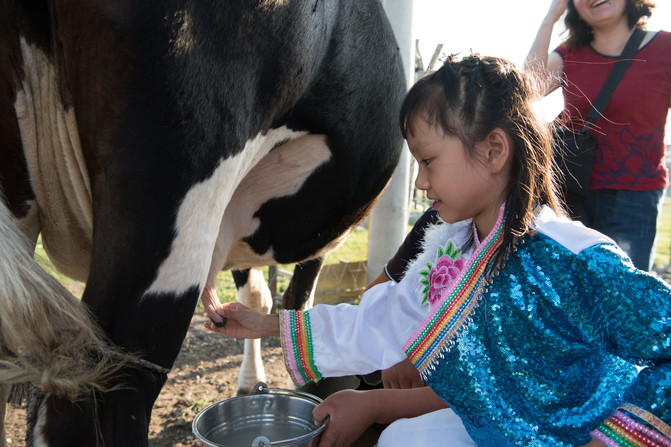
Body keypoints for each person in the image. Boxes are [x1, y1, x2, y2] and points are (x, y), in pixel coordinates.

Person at [206, 54, 671, 447]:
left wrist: (613, 440)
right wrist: (268, 324)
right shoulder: (454, 254)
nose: (422, 182)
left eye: (428, 161)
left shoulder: (573, 257)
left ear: (493, 151)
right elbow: (385, 319)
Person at [525, 0, 671, 272]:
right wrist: (550, 18)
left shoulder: (666, 48)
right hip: (570, 193)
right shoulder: (571, 52)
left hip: (634, 198)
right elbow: (528, 89)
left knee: (623, 298)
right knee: (570, 294)